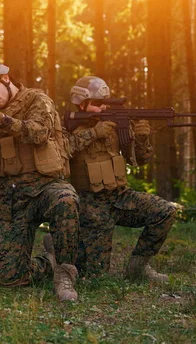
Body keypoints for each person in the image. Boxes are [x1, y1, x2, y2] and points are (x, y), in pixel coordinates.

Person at [0, 59, 80, 301]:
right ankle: (50, 261)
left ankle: (65, 274)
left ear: (5, 79)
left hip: (46, 188)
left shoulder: (37, 99)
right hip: (13, 198)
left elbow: (39, 132)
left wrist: (2, 121)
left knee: (66, 199)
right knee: (11, 279)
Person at [67, 76, 176, 281]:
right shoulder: (69, 127)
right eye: (98, 104)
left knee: (164, 211)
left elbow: (139, 160)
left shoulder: (115, 128)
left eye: (105, 103)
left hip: (121, 198)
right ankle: (58, 245)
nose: (103, 108)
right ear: (81, 103)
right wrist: (93, 134)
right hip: (89, 205)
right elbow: (61, 151)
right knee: (95, 276)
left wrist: (142, 139)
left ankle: (138, 268)